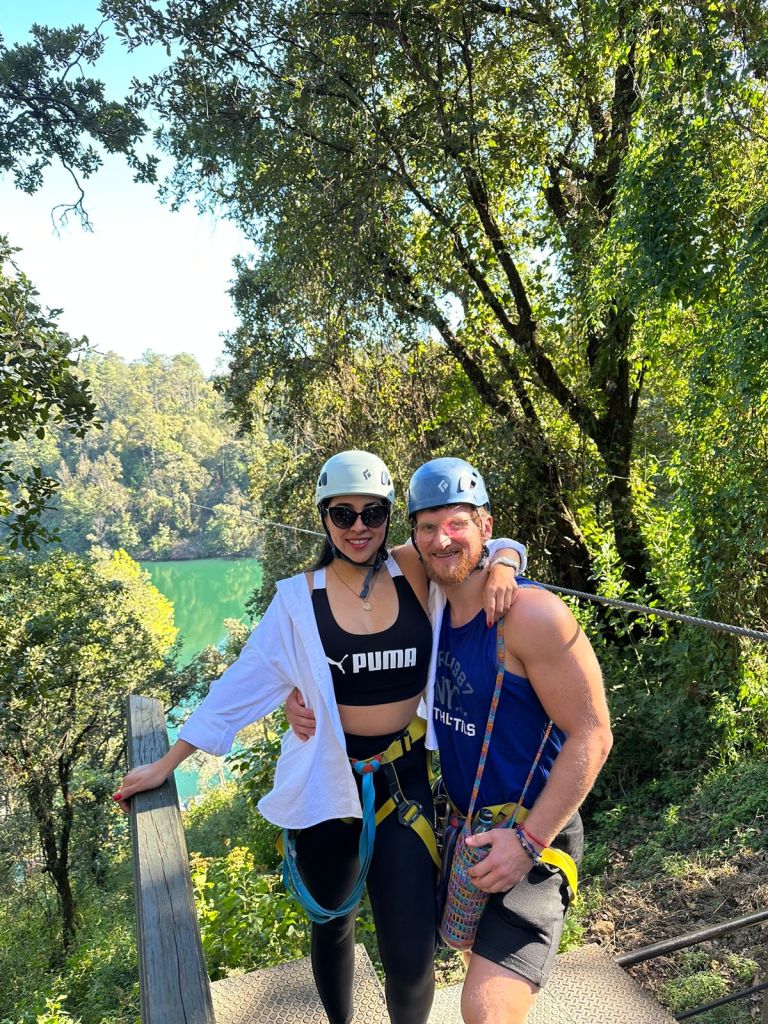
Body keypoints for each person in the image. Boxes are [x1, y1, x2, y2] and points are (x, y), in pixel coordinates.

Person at [113, 450, 525, 1024]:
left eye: (372, 514)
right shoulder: (298, 600)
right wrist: (168, 763)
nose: (358, 527)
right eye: (342, 514)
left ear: (389, 518)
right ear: (325, 518)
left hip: (401, 784)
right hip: (327, 785)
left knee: (412, 956)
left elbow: (470, 541)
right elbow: (242, 683)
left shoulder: (414, 569)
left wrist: (505, 562)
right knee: (332, 926)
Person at [287, 456, 613, 1024]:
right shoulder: (433, 613)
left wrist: (529, 841)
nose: (442, 539)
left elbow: (594, 733)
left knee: (484, 1010)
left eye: (457, 523)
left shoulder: (532, 615)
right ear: (413, 538)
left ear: (485, 525)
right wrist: (302, 694)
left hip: (532, 834)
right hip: (465, 828)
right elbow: (350, 607)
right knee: (458, 954)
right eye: (428, 526)